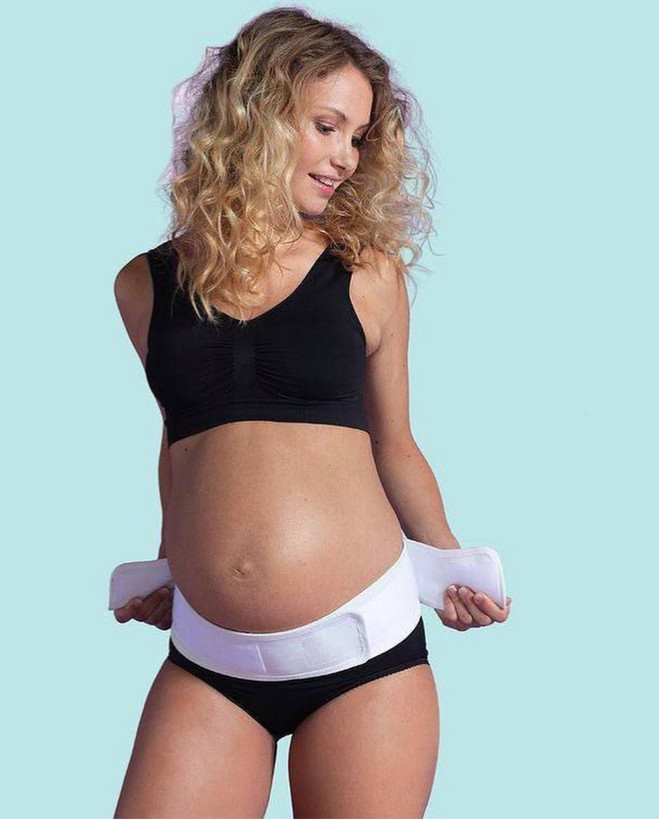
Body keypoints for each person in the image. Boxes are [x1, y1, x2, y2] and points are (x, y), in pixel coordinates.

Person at [111, 7, 511, 818]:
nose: (344, 156)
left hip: (365, 653)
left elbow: (394, 445)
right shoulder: (143, 285)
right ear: (253, 115)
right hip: (208, 659)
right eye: (326, 127)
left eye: (357, 137)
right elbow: (182, 441)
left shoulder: (366, 275)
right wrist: (169, 563)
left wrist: (450, 562)